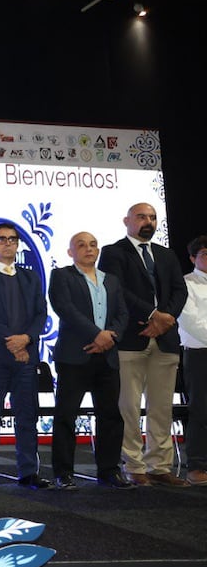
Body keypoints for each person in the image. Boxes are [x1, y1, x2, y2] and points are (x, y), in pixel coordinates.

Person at [98, 203, 189, 487]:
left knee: (162, 407)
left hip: (165, 340)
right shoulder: (113, 253)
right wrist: (153, 315)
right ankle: (134, 466)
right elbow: (116, 290)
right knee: (129, 406)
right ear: (127, 221)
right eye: (141, 217)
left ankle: (159, 466)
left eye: (152, 217)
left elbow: (179, 290)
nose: (147, 221)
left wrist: (166, 318)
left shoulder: (166, 254)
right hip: (129, 340)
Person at [0, 223, 53, 490]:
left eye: (12, 240)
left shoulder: (30, 277)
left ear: (18, 245)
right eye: (1, 240)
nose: (7, 244)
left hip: (26, 357)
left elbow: (41, 313)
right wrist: (12, 343)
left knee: (27, 416)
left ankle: (28, 472)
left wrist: (25, 340)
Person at [49, 231, 132, 489]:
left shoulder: (112, 281)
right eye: (81, 245)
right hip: (75, 356)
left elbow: (122, 313)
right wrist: (96, 335)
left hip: (107, 357)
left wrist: (110, 337)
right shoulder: (62, 276)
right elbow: (65, 309)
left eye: (93, 245)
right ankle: (64, 472)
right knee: (66, 416)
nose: (89, 249)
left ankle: (109, 470)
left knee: (110, 416)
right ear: (70, 252)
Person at [178, 235, 207, 486]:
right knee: (200, 410)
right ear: (192, 258)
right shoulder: (187, 284)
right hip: (199, 353)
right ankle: (197, 465)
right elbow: (190, 322)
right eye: (205, 254)